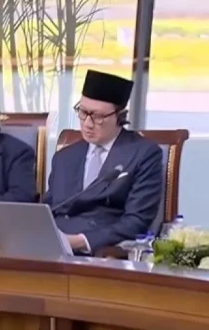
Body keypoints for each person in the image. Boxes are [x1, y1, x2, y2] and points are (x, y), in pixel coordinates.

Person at [43, 70, 163, 254]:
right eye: (83, 112)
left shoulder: (143, 154)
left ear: (120, 116)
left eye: (98, 117)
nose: (87, 123)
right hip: (52, 246)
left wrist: (80, 241)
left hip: (100, 249)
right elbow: (49, 208)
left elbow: (137, 220)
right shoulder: (64, 157)